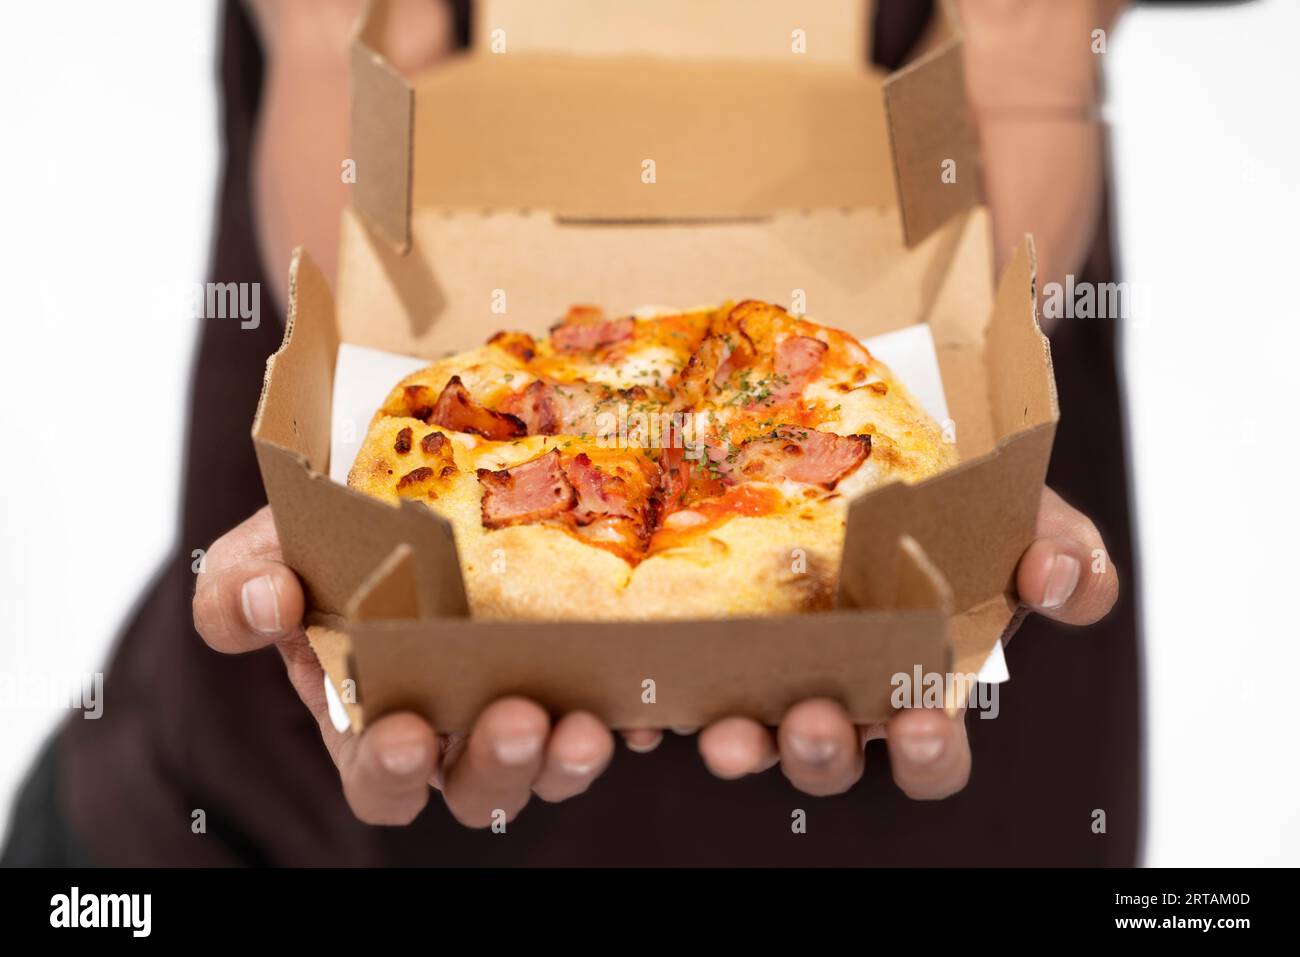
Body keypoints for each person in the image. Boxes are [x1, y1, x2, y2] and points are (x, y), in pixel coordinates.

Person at [2, 0, 1137, 866]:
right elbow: (337, 42)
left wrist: (966, 460)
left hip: (934, 782)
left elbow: (1027, 37)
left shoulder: (844, 411)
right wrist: (339, 537)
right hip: (280, 816)